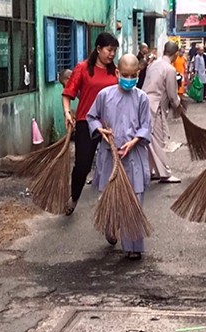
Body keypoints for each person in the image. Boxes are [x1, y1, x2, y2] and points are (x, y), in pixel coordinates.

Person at [86, 54, 152, 260]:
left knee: (134, 199)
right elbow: (91, 117)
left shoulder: (142, 97)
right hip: (110, 155)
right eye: (125, 75)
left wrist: (134, 141)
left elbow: (146, 126)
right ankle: (110, 225)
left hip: (134, 156)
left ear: (138, 75)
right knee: (111, 196)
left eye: (133, 76)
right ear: (117, 73)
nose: (129, 79)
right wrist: (101, 131)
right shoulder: (104, 95)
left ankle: (134, 246)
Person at [62, 32, 119, 215]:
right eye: (109, 50)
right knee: (83, 165)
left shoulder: (115, 71)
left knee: (111, 167)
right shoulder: (83, 68)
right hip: (86, 122)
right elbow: (68, 93)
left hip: (109, 126)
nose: (112, 54)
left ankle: (108, 211)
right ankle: (74, 197)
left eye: (114, 51)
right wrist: (67, 112)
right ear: (98, 49)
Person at [142, 41, 183, 184]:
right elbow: (172, 95)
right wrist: (178, 105)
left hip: (143, 103)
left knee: (149, 140)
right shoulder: (170, 69)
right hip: (155, 106)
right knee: (158, 141)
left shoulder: (153, 64)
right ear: (176, 54)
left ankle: (151, 170)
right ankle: (164, 173)